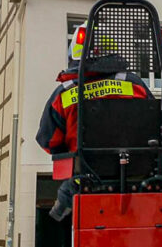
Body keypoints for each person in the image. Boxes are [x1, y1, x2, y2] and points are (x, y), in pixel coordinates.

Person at [36, 21, 154, 221]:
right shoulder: (136, 85)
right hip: (138, 177)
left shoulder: (63, 94)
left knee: (56, 217)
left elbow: (49, 142)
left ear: (75, 52)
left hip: (84, 183)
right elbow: (153, 125)